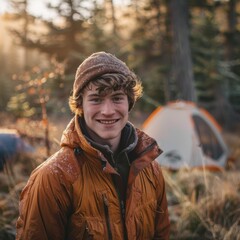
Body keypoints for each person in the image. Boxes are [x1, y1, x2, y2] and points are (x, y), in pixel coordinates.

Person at [16, 52, 170, 240]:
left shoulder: (149, 168)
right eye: (96, 99)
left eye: (117, 98)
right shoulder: (53, 178)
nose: (107, 111)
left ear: (129, 102)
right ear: (80, 105)